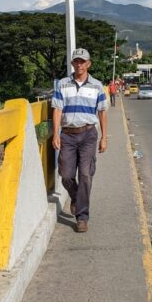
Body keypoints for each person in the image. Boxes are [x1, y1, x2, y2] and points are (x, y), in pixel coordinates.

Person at [52, 48, 108, 233]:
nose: (79, 64)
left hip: (88, 134)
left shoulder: (97, 86)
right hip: (67, 134)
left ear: (88, 64)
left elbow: (101, 111)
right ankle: (76, 197)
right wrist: (55, 134)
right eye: (76, 61)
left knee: (85, 174)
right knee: (66, 175)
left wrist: (104, 137)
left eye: (82, 61)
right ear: (72, 64)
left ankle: (82, 217)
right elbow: (57, 110)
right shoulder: (62, 84)